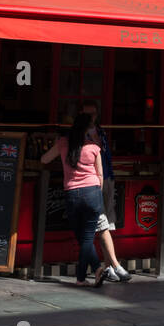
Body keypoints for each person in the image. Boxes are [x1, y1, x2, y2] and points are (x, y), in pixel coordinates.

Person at [41, 113, 106, 286]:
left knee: (82, 237)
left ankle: (88, 275)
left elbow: (44, 159)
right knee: (86, 238)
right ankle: (92, 272)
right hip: (92, 192)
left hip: (72, 193)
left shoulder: (63, 143)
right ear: (87, 129)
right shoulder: (94, 147)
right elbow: (100, 176)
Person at [80, 99, 131, 283]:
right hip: (91, 182)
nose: (91, 117)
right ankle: (108, 266)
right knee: (99, 225)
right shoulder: (81, 134)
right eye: (87, 114)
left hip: (107, 177)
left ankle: (109, 266)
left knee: (108, 223)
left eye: (93, 114)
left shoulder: (101, 131)